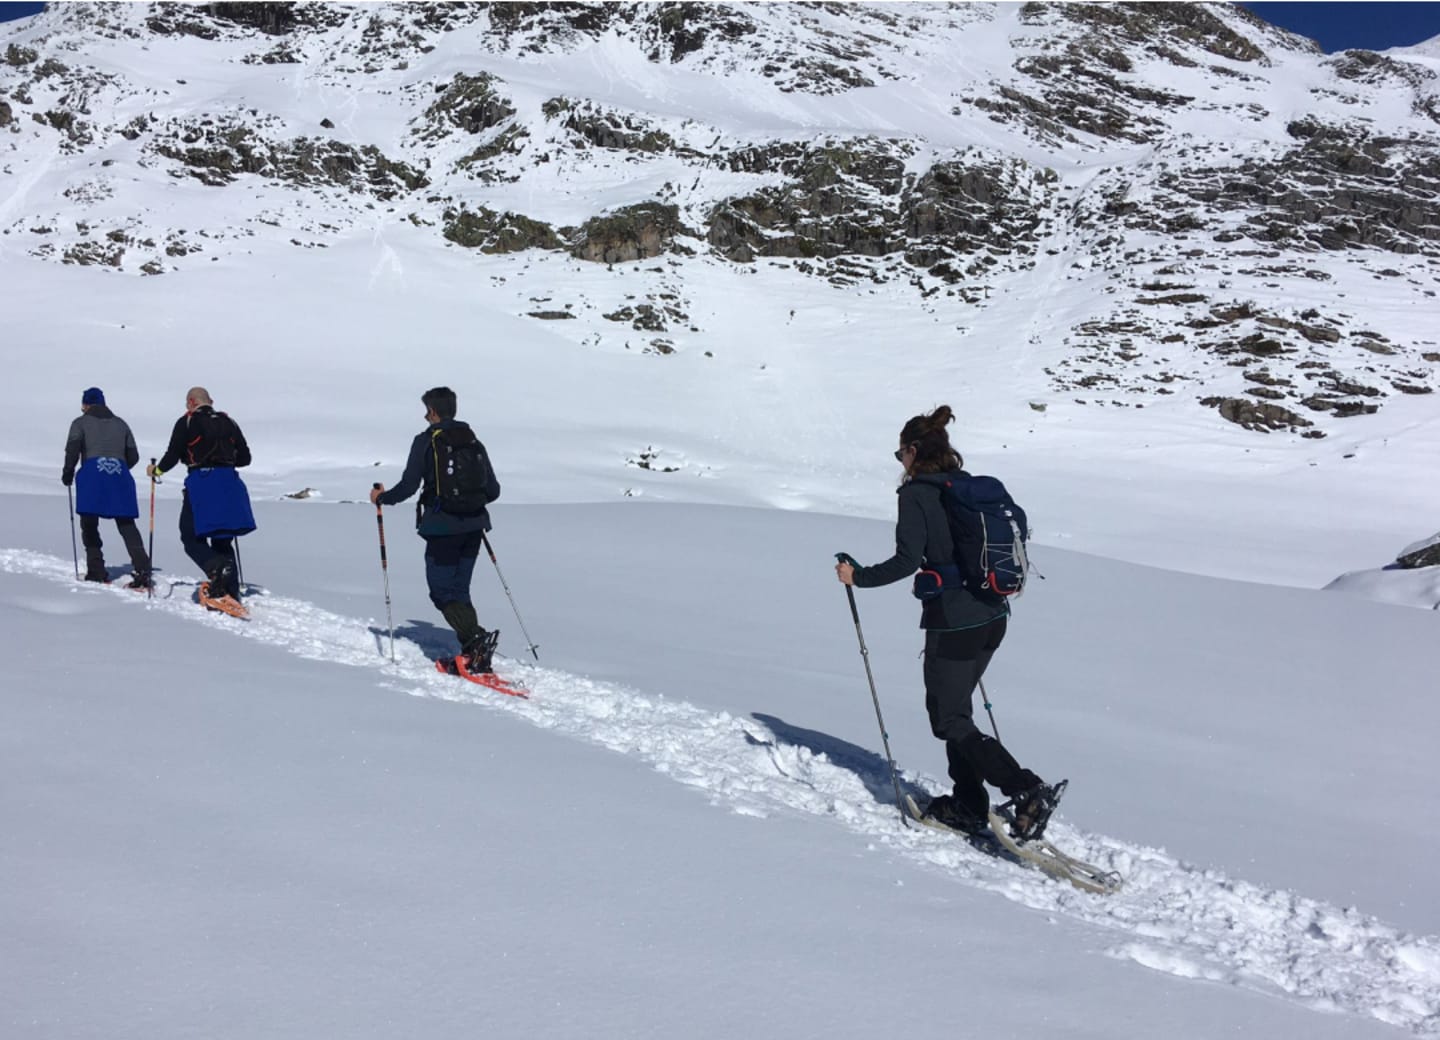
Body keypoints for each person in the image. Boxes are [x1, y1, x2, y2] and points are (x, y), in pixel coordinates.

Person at [835, 404, 1061, 841]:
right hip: (993, 615)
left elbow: (906, 560)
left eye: (900, 452)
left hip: (954, 621)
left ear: (915, 450)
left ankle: (1026, 790)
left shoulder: (917, 494)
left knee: (948, 719)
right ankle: (967, 804)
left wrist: (857, 577)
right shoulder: (965, 489)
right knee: (957, 712)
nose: (900, 461)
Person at [370, 386, 502, 675]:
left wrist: (381, 498)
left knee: (441, 591)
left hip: (443, 527)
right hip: (475, 526)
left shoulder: (426, 441)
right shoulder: (473, 440)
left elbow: (408, 486)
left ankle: (475, 642)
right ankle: (473, 653)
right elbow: (493, 490)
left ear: (432, 411)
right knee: (459, 589)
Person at [146, 387, 255, 608]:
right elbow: (245, 458)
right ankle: (229, 590)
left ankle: (215, 568)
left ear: (192, 402)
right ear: (210, 401)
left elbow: (173, 454)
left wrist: (156, 471)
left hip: (202, 482)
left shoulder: (187, 422)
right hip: (230, 483)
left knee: (190, 535)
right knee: (223, 537)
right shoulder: (229, 422)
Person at [62, 387, 153, 589]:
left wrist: (68, 472)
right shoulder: (121, 424)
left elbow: (73, 450)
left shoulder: (80, 423)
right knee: (126, 524)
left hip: (92, 475)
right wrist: (117, 467)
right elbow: (134, 456)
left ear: (86, 405)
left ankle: (97, 570)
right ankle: (143, 569)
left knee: (89, 522)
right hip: (119, 475)